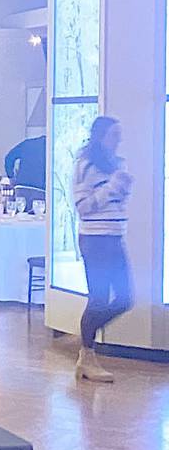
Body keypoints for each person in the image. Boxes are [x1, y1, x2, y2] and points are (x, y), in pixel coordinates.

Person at [72, 115, 133, 384]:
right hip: (94, 239)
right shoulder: (85, 166)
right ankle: (87, 354)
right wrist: (111, 188)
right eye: (113, 135)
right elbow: (84, 207)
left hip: (115, 236)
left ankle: (86, 340)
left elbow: (118, 202)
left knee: (125, 297)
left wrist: (122, 189)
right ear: (100, 137)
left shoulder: (118, 164)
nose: (118, 140)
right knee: (98, 297)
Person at [4, 130, 47, 195]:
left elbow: (8, 158)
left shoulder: (27, 143)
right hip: (40, 189)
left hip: (22, 187)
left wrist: (11, 177)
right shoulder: (51, 148)